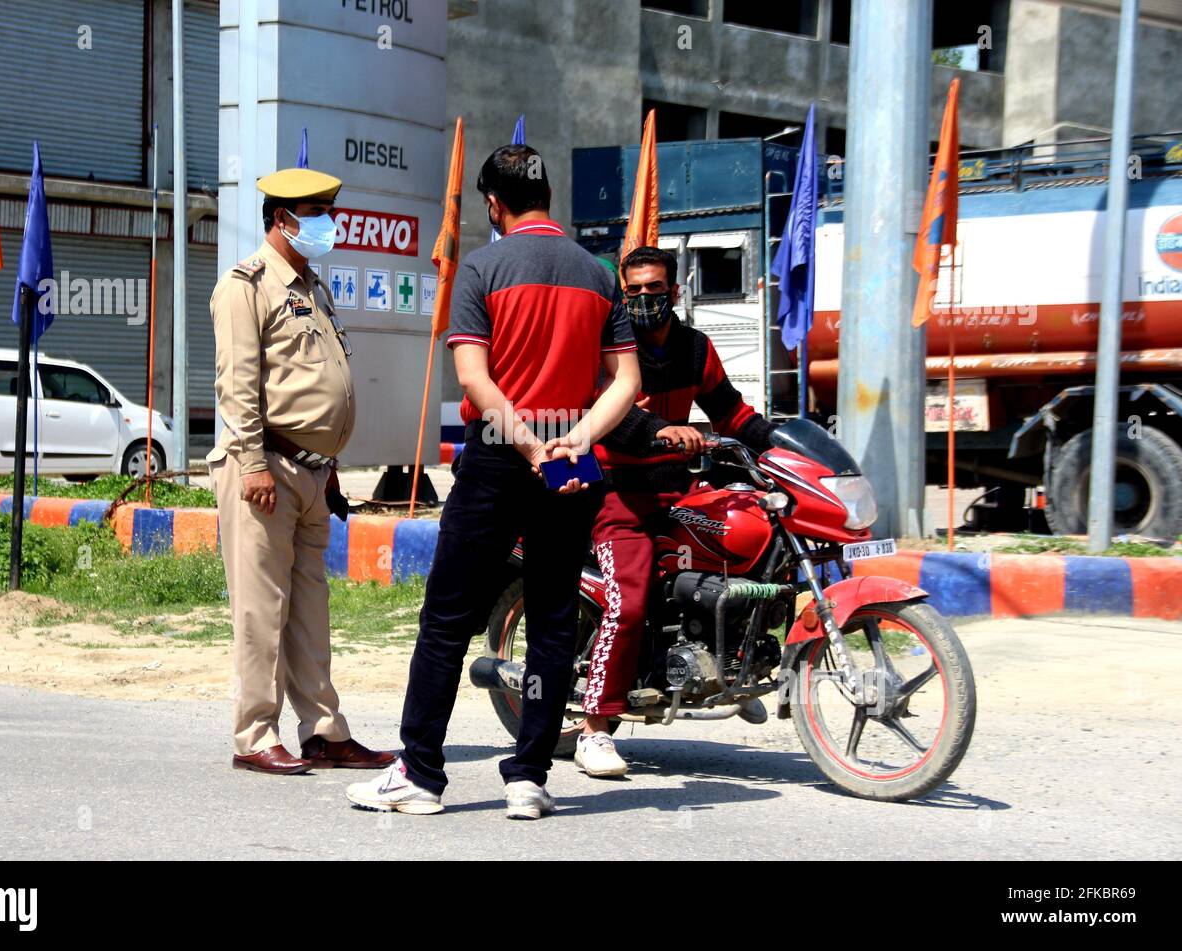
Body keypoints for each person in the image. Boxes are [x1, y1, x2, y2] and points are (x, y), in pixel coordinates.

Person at [346, 145, 641, 818]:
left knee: (448, 617)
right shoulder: (598, 274)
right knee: (553, 620)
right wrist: (576, 439)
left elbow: (475, 378)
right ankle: (529, 779)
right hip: (574, 458)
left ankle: (419, 773)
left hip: (502, 453)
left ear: (493, 204)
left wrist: (530, 444)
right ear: (547, 195)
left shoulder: (482, 267)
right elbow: (627, 380)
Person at [209, 167, 394, 774]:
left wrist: (329, 462)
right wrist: (255, 463)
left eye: (326, 212)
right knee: (262, 610)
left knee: (310, 609)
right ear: (281, 219)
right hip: (265, 471)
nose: (326, 224)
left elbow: (317, 382)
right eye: (314, 213)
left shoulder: (312, 286)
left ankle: (323, 729)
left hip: (312, 475)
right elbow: (237, 386)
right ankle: (255, 735)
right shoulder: (245, 286)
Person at [573, 245, 777, 778]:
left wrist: (781, 448)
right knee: (632, 603)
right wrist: (660, 431)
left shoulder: (694, 347)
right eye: (634, 290)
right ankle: (594, 731)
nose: (644, 299)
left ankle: (728, 666)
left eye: (654, 289)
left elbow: (731, 412)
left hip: (680, 491)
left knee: (745, 546)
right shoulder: (616, 349)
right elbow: (608, 412)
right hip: (619, 492)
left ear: (675, 292)